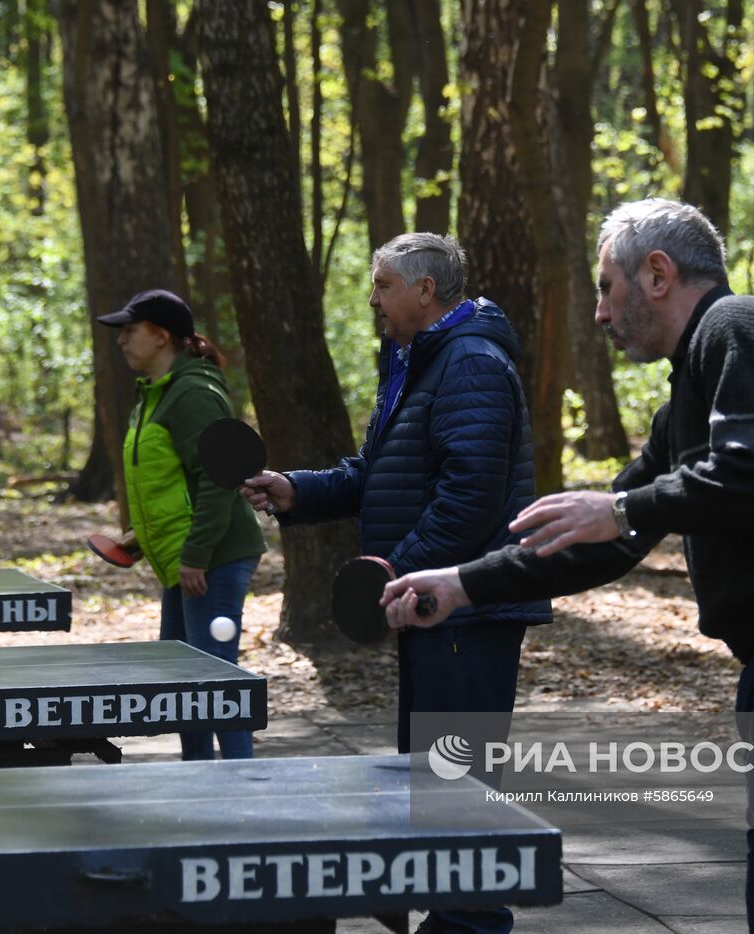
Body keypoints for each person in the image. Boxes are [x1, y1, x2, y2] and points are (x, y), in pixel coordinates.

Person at [383, 200, 754, 934]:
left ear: (659, 275)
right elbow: (603, 535)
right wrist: (462, 584)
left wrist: (623, 511)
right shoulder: (688, 402)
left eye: (608, 287)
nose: (601, 315)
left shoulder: (742, 329)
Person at [242, 233, 550, 934]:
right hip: (435, 608)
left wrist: (399, 569)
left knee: (458, 787)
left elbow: (471, 494)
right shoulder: (420, 361)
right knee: (435, 780)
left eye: (382, 284)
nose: (373, 298)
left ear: (425, 292)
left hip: (467, 609)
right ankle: (434, 900)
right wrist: (298, 491)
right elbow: (376, 471)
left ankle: (467, 923)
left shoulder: (469, 362)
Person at [98, 289, 266, 761]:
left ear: (161, 335)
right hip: (181, 555)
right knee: (180, 679)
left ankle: (243, 786)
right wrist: (139, 539)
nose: (122, 342)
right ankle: (196, 779)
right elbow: (171, 484)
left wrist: (196, 554)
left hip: (213, 555)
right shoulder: (153, 394)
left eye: (130, 332)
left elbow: (219, 477)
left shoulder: (192, 392)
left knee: (215, 681)